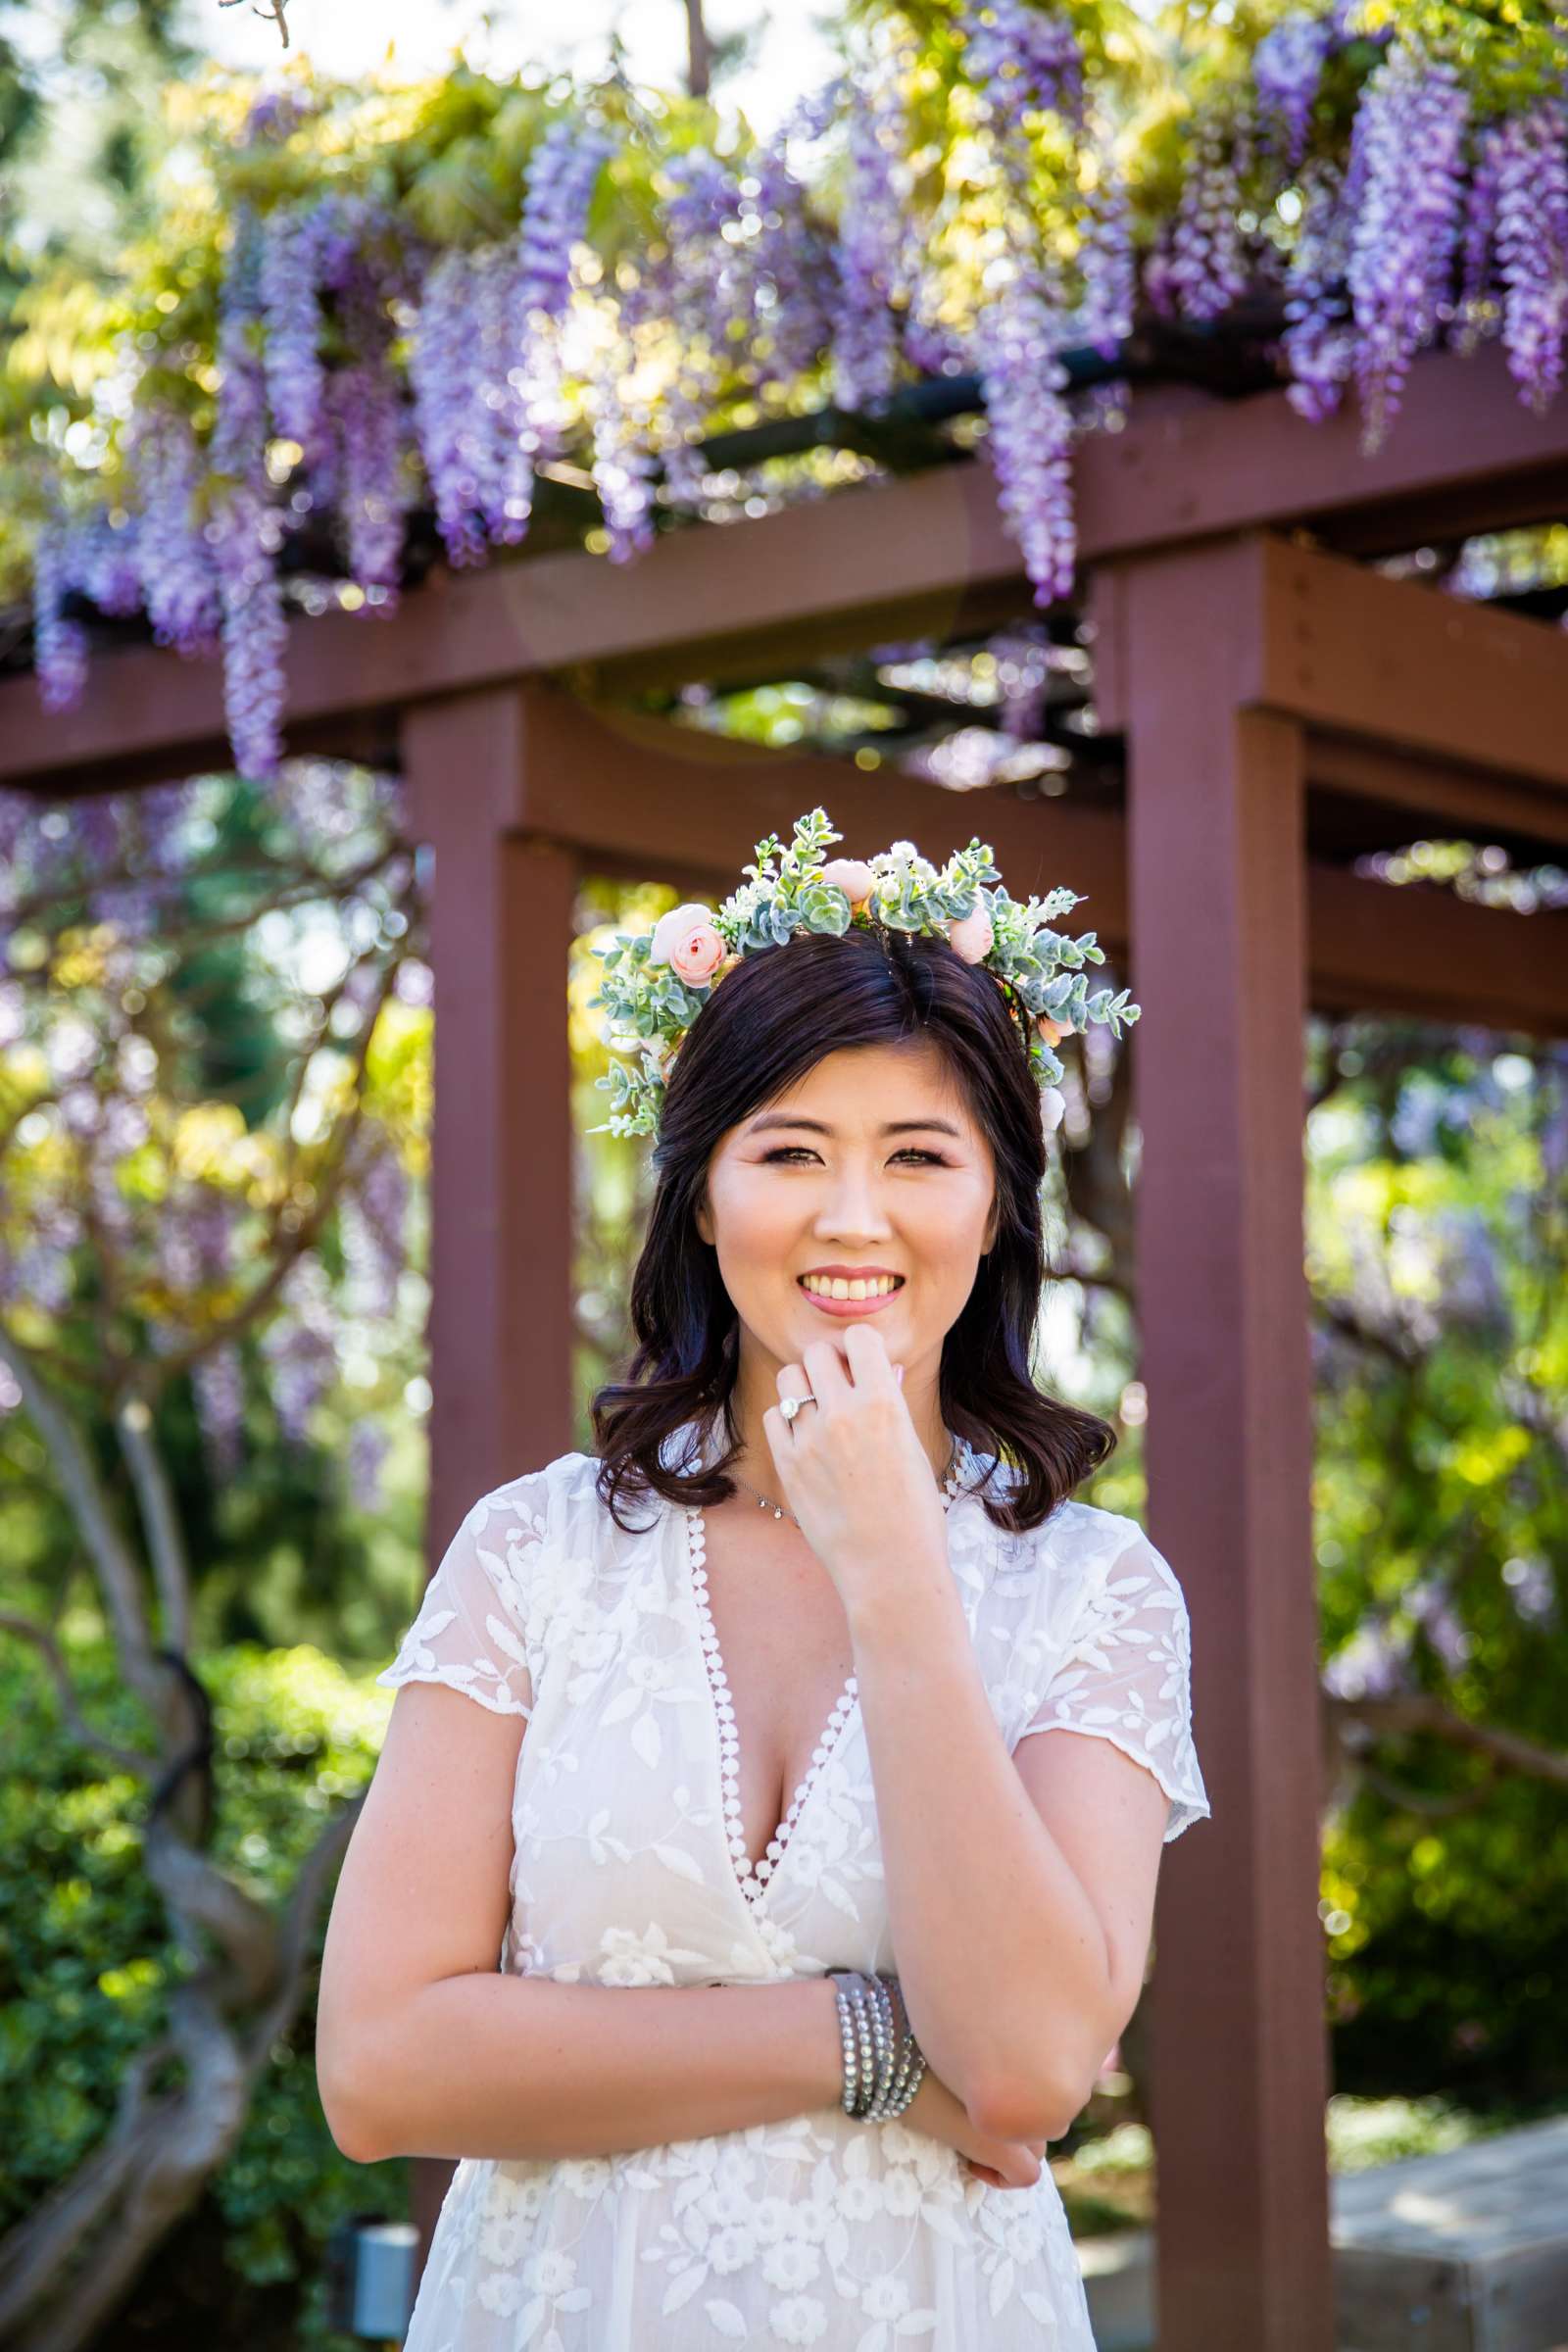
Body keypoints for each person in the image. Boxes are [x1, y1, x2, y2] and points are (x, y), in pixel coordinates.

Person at [317, 811, 1211, 2349]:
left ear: (994, 1207)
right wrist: (857, 2039)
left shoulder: (1095, 1593)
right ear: (703, 1191)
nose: (851, 1217)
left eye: (918, 1156)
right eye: (789, 1151)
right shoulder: (532, 1553)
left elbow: (1024, 2071)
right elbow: (381, 2067)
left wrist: (897, 1574)